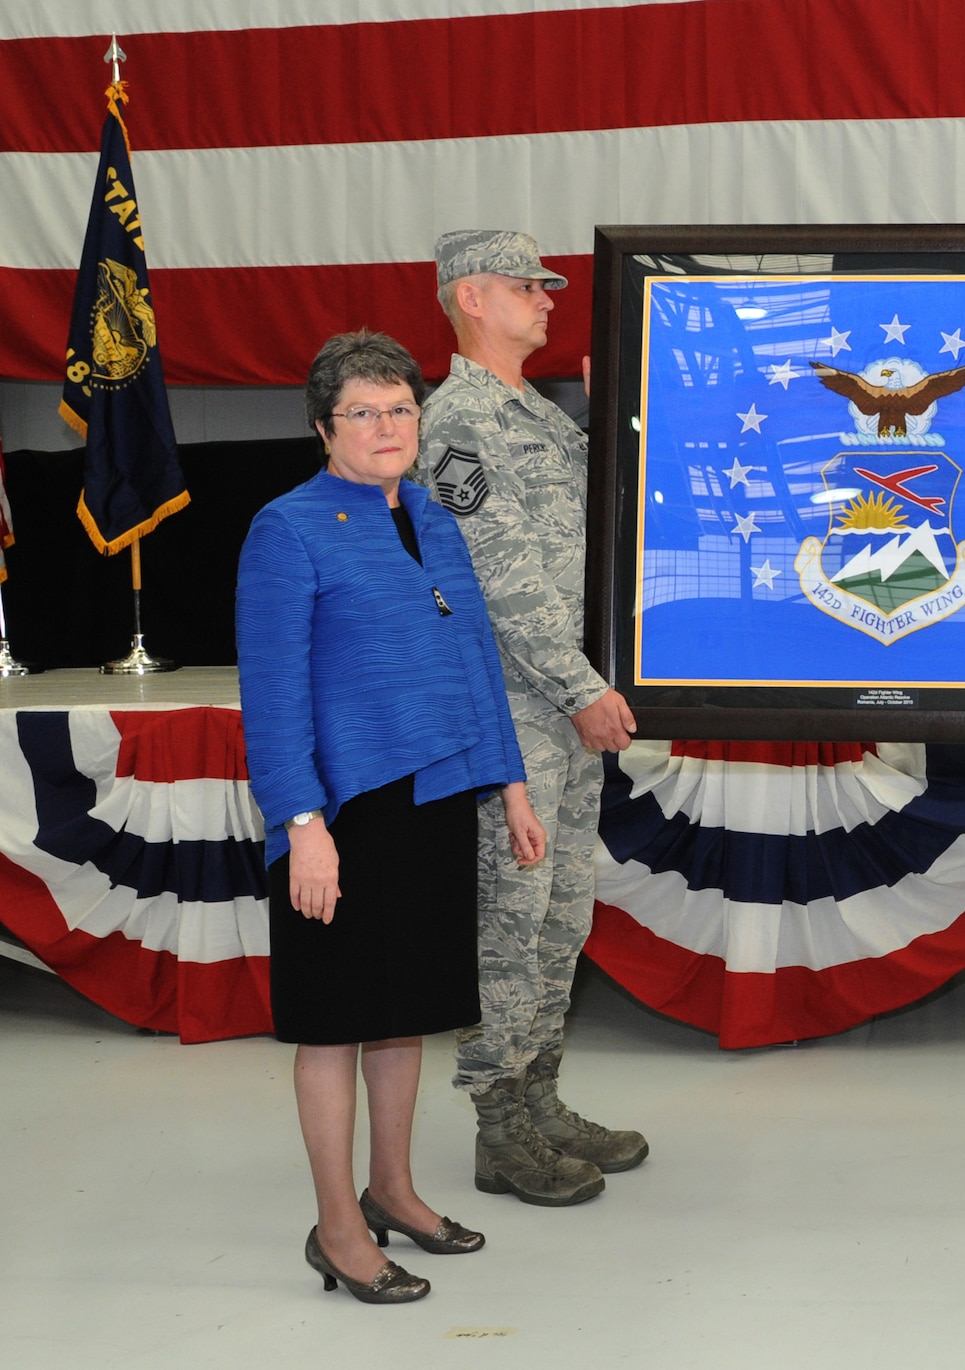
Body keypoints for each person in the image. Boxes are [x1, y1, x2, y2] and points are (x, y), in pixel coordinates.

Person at [237, 331, 548, 1303]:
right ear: (324, 428)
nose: (386, 427)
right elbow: (272, 694)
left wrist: (510, 784)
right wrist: (302, 824)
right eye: (363, 413)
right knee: (335, 1024)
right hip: (341, 814)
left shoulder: (430, 512)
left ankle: (393, 1192)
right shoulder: (285, 529)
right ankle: (336, 1229)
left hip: (434, 800)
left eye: (401, 408)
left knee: (403, 1014)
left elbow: (476, 664)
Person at [418, 229, 648, 1207]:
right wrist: (580, 689)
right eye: (527, 285)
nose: (547, 299)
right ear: (473, 297)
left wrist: (618, 416)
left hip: (562, 712)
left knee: (559, 916)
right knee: (507, 928)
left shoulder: (538, 414)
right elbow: (501, 581)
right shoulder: (458, 422)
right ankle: (497, 1127)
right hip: (514, 715)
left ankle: (539, 1095)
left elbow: (610, 523)